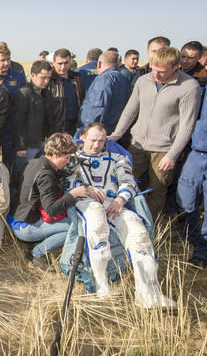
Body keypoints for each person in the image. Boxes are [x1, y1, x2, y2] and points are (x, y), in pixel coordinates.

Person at [68, 123, 176, 307]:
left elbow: (129, 181)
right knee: (96, 222)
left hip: (113, 203)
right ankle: (101, 287)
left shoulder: (117, 158)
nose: (96, 145)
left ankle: (148, 294)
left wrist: (121, 199)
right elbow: (68, 182)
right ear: (83, 137)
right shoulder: (72, 158)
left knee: (138, 231)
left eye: (101, 141)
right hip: (85, 201)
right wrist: (86, 189)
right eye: (93, 140)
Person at [109, 47, 201, 221]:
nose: (156, 75)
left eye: (162, 72)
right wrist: (116, 134)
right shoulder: (143, 81)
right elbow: (130, 111)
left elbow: (187, 125)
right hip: (137, 146)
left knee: (157, 189)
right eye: (154, 69)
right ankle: (122, 221)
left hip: (164, 151)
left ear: (176, 67)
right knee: (125, 183)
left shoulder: (189, 87)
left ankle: (149, 224)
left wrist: (172, 154)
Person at [11, 133, 89, 270]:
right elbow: (51, 209)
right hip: (24, 226)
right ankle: (36, 254)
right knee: (73, 228)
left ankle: (36, 240)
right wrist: (73, 194)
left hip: (14, 215)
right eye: (66, 157)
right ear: (55, 154)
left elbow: (15, 182)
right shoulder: (46, 175)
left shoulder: (33, 162)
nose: (68, 161)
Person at [177, 91, 207, 268]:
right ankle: (191, 235)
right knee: (185, 199)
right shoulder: (200, 91)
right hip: (196, 153)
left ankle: (202, 252)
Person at [13, 60, 55, 173]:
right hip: (28, 146)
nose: (46, 81)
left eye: (49, 78)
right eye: (43, 77)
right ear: (33, 75)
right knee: (23, 174)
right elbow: (18, 122)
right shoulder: (24, 94)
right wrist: (21, 147)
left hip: (43, 143)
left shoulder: (47, 94)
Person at [0, 44, 26, 177]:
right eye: (2, 60)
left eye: (8, 59)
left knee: (9, 164)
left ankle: (9, 192)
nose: (6, 63)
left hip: (12, 127)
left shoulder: (18, 77)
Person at [79, 51, 131, 133]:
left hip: (100, 131)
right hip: (116, 130)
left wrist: (88, 129)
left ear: (99, 64)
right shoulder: (124, 79)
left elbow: (97, 107)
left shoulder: (103, 79)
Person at [48, 48, 86, 135]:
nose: (63, 67)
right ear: (53, 63)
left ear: (71, 61)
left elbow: (83, 99)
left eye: (66, 63)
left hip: (75, 127)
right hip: (56, 128)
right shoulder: (49, 80)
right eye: (60, 63)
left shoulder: (77, 78)